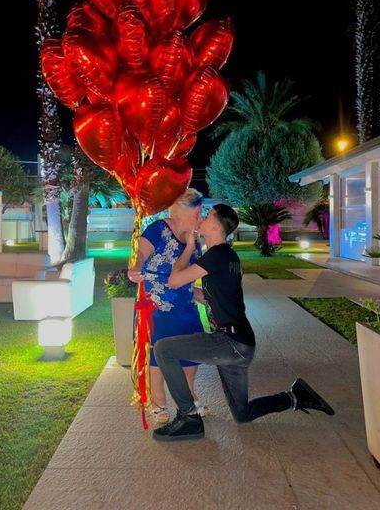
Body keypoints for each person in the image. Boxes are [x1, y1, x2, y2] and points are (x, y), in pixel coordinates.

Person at [152, 204, 335, 441]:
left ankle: (188, 417)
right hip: (240, 344)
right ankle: (295, 396)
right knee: (242, 413)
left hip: (229, 342)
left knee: (163, 349)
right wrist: (184, 295)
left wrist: (188, 247)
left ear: (216, 225)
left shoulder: (217, 255)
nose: (203, 218)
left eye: (207, 215)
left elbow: (175, 280)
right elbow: (212, 295)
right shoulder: (227, 256)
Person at [128, 189, 207, 424]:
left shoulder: (194, 239)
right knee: (158, 355)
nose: (200, 218)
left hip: (186, 305)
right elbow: (140, 254)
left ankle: (190, 397)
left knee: (191, 352)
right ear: (183, 211)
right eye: (197, 213)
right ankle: (158, 402)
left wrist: (202, 294)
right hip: (158, 307)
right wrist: (135, 268)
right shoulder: (158, 229)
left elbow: (190, 274)